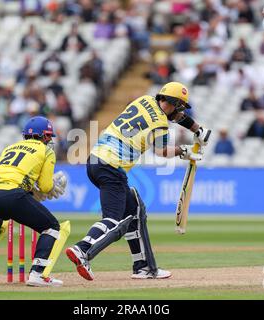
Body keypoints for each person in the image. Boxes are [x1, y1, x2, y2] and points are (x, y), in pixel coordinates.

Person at [65, 82, 211, 280]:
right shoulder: (160, 123)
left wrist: (198, 129)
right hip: (111, 166)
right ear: (173, 104)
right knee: (112, 220)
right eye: (180, 106)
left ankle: (143, 267)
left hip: (95, 160)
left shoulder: (144, 100)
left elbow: (176, 116)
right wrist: (184, 151)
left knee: (135, 210)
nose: (180, 111)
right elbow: (162, 151)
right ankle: (82, 250)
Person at [0, 116, 69, 289]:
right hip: (11, 194)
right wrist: (49, 187)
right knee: (51, 227)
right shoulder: (46, 151)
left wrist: (29, 187)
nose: (49, 140)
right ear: (42, 136)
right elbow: (46, 185)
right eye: (48, 136)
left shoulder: (9, 147)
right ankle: (37, 274)